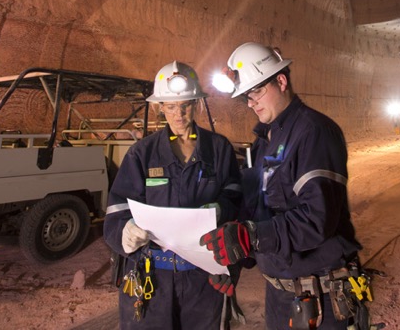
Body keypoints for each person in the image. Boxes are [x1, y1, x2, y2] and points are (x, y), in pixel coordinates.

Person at [200, 43, 374, 330]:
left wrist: (252, 236)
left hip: (322, 299)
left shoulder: (313, 132)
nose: (250, 103)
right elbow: (257, 214)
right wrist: (234, 259)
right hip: (280, 294)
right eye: (246, 96)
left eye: (255, 91)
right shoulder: (264, 141)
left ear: (280, 81)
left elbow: (317, 219)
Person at [104, 61, 242, 329]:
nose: (179, 114)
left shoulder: (219, 149)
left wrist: (221, 208)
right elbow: (117, 209)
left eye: (186, 105)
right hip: (152, 277)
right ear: (160, 108)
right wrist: (125, 232)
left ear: (198, 104)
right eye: (170, 106)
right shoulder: (142, 153)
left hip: (202, 278)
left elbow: (237, 197)